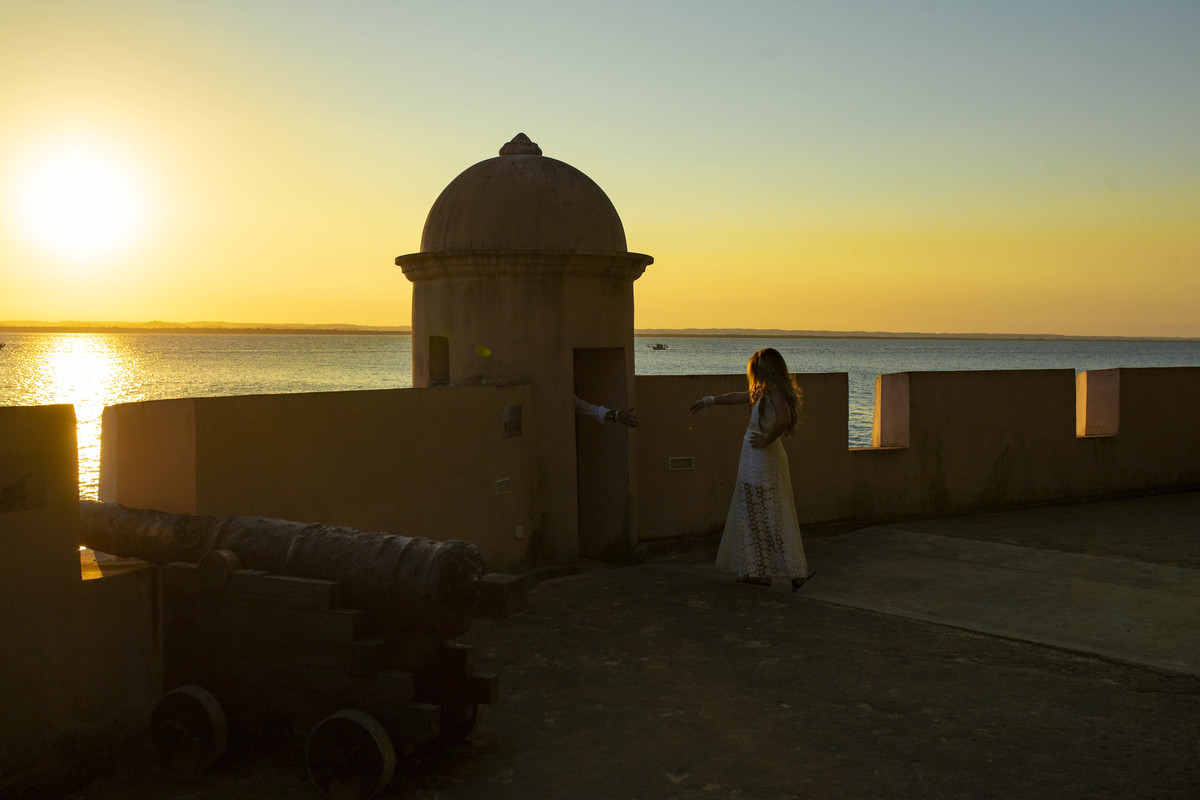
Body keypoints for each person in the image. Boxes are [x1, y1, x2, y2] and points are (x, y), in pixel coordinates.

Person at [690, 348, 811, 590]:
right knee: (754, 510)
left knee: (767, 510)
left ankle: (791, 571)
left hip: (761, 457)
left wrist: (767, 439)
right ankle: (759, 571)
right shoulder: (763, 391)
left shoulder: (774, 391)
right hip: (753, 455)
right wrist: (709, 401)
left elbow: (785, 418)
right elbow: (738, 396)